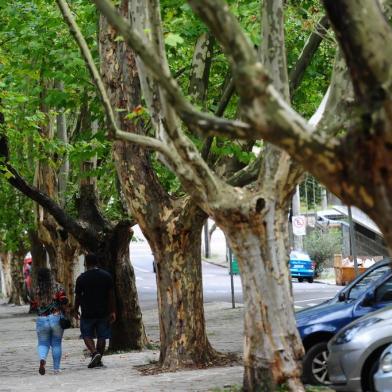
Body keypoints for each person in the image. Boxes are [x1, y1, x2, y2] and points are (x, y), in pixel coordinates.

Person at [73, 253, 116, 368]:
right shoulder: (106, 276)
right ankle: (98, 359)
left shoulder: (81, 278)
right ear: (97, 262)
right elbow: (111, 295)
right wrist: (112, 311)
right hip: (103, 312)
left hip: (87, 312)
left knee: (86, 334)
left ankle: (94, 353)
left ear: (86, 263)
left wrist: (75, 309)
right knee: (102, 336)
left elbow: (78, 296)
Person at [35, 267, 68, 375]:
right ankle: (56, 369)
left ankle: (43, 359)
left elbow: (34, 302)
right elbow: (64, 300)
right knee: (56, 344)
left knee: (43, 343)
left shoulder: (36, 289)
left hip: (41, 319)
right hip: (56, 318)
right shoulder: (58, 287)